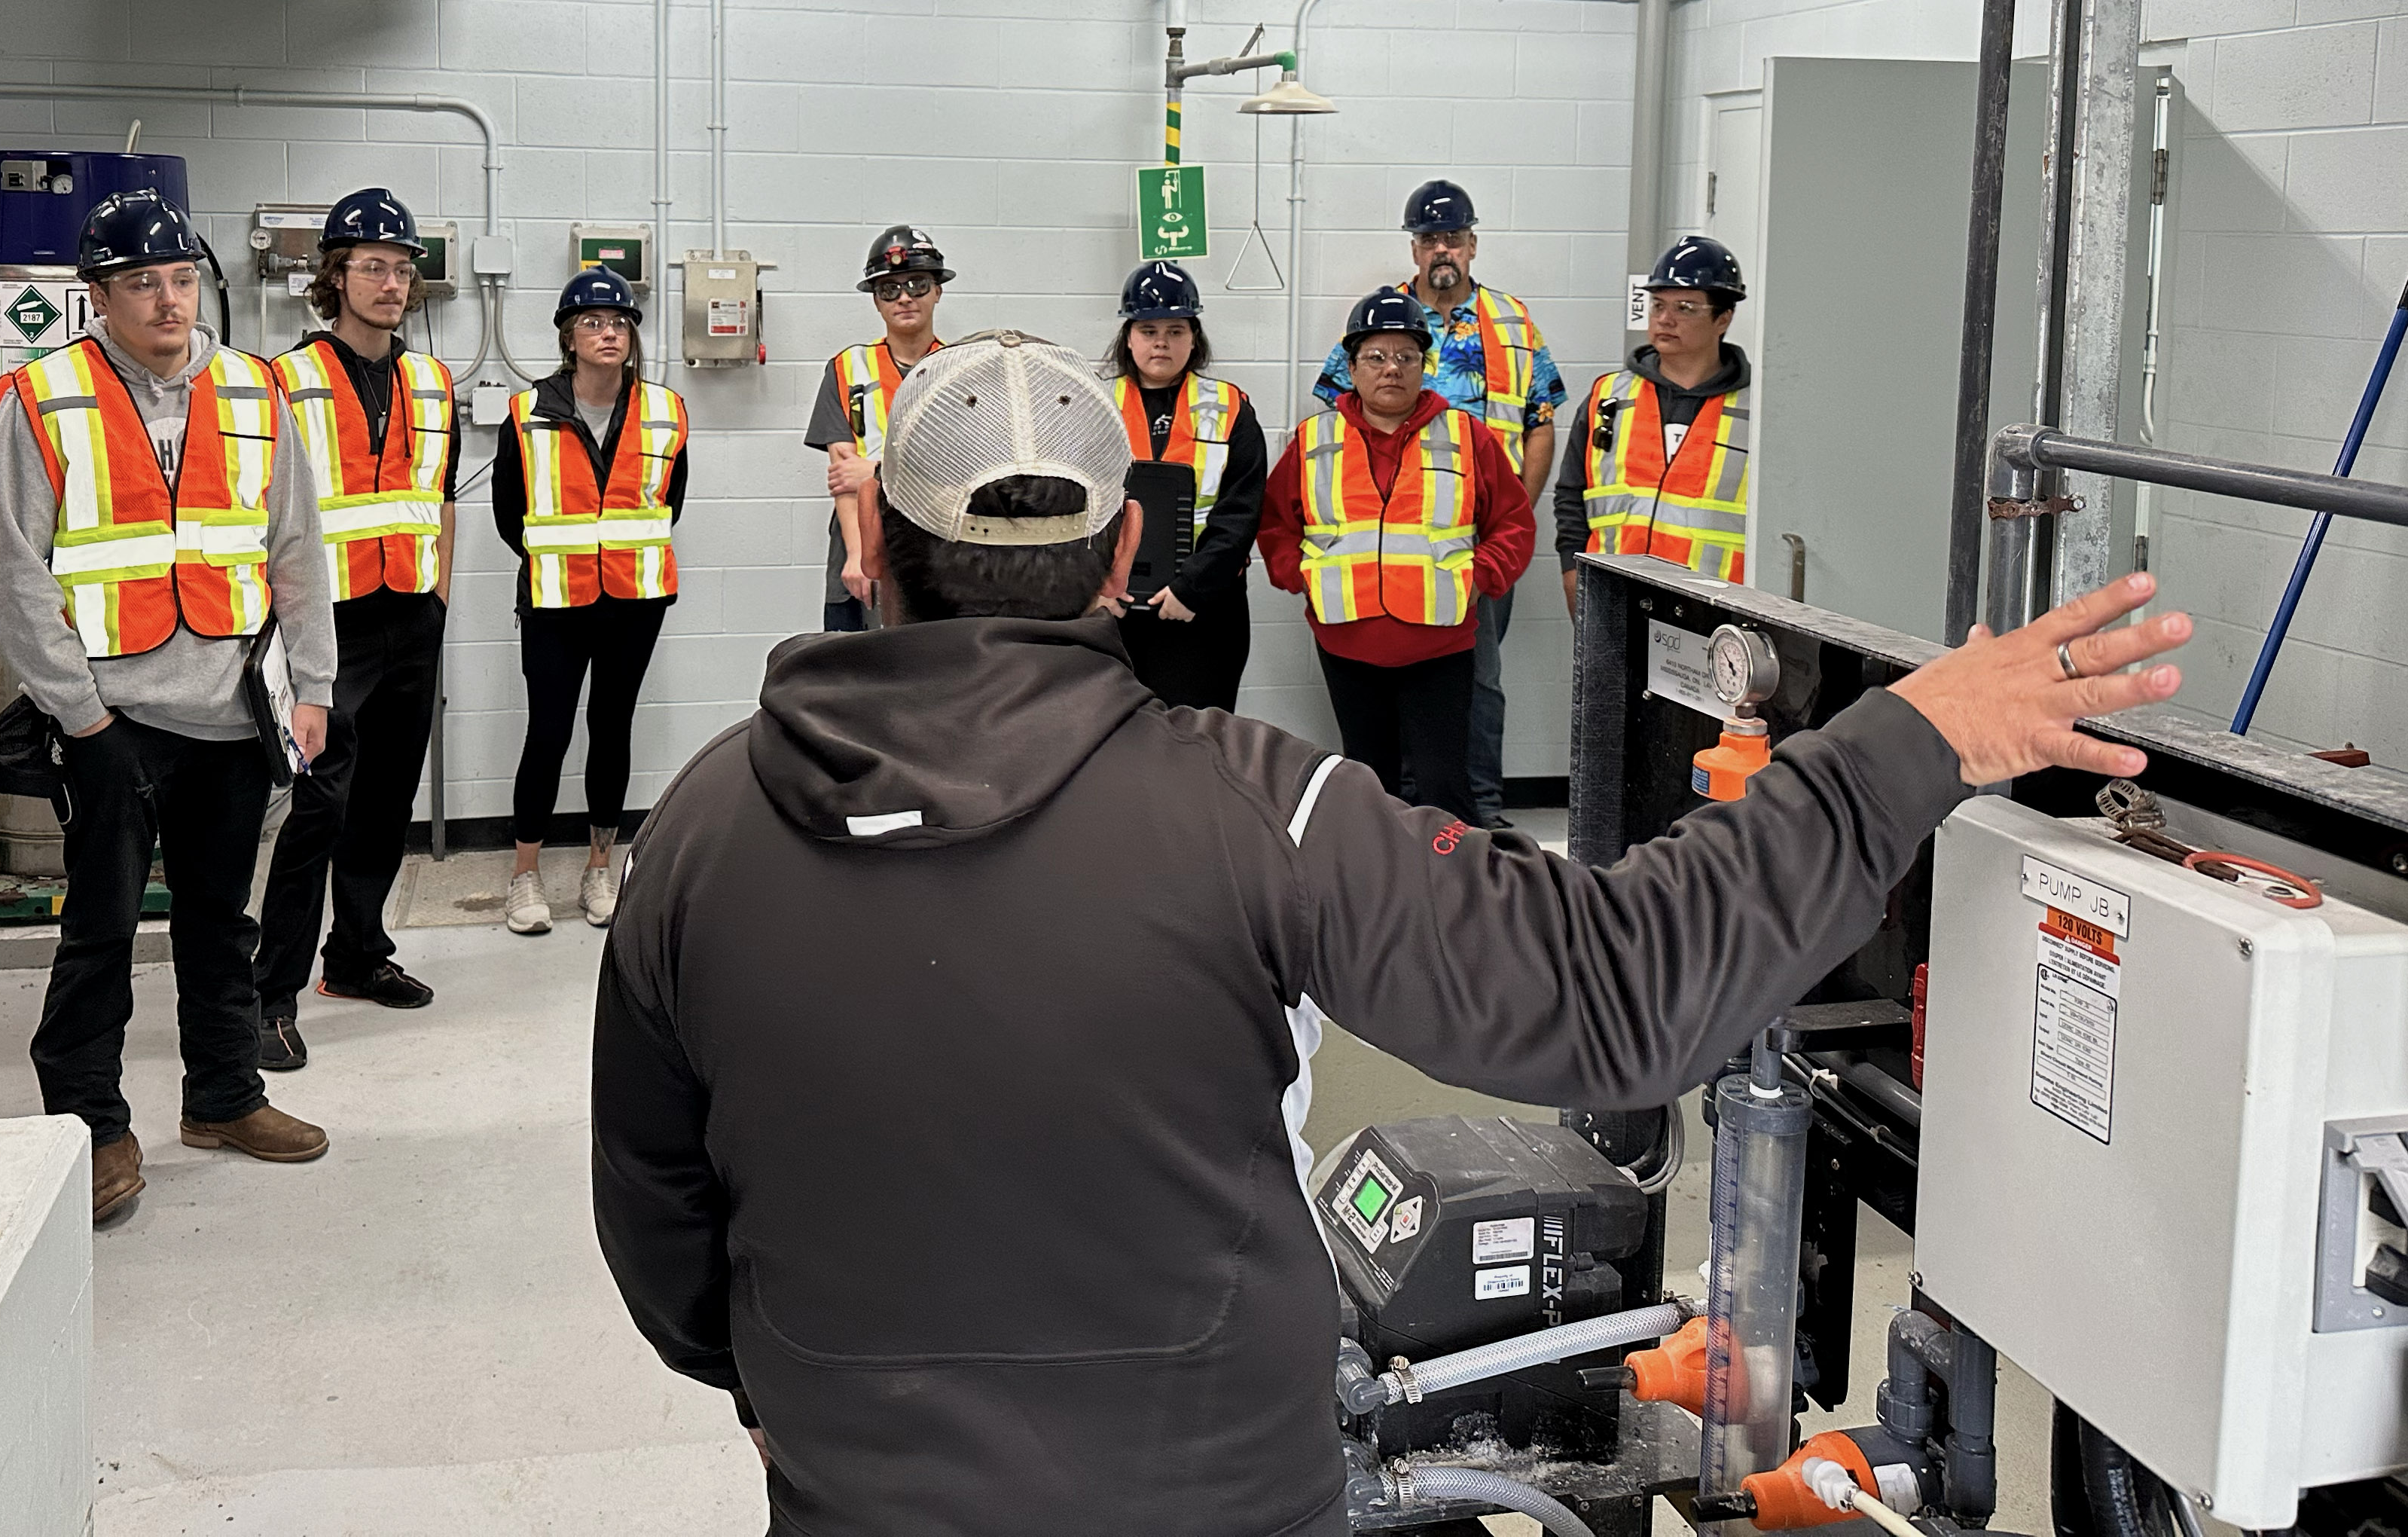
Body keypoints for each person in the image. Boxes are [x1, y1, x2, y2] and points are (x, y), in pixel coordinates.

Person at [590, 325, 2195, 1537]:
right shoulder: (1256, 810)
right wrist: (1912, 739)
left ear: (867, 546)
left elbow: (660, 1233)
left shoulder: (701, 836)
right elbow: (1619, 996)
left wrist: (786, 1382)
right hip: (1219, 1493)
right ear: (1125, 553)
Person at [0, 188, 339, 1223]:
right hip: (111, 720)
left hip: (233, 715)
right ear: (99, 295)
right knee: (98, 933)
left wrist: (311, 688)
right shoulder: (45, 399)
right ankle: (91, 1130)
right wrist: (79, 716)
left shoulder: (255, 393)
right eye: (143, 283)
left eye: (182, 279)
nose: (169, 300)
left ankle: (225, 1098)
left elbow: (298, 553)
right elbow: (11, 574)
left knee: (222, 925)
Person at [252, 188, 458, 1073]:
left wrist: (441, 600)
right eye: (371, 266)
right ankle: (269, 995)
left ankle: (359, 955)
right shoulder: (281, 381)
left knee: (386, 802)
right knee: (320, 806)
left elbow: (439, 499)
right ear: (332, 277)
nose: (391, 282)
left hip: (411, 615)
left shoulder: (431, 379)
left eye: (403, 268)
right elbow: (258, 514)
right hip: (323, 626)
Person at [1314, 179, 1564, 827]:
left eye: (1453, 236)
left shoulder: (1512, 321)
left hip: (1480, 544)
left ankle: (1477, 810)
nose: (1441, 249)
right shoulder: (1381, 317)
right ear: (1415, 248)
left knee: (1478, 679)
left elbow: (1540, 421)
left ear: (1473, 244)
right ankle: (1398, 810)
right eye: (1428, 239)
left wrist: (1515, 516)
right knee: (1389, 677)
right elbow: (1337, 421)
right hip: (1387, 541)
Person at [1260, 290, 1532, 820]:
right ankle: (1377, 895)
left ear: (1424, 366)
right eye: (1377, 357)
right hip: (1347, 643)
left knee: (1443, 788)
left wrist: (1484, 576)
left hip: (1441, 645)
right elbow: (1275, 523)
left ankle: (1450, 893)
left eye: (1406, 357)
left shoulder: (1466, 437)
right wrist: (1301, 578)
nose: (1392, 370)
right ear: (1352, 366)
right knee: (1369, 786)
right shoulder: (1314, 439)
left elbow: (1513, 522)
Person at [490, 269, 691, 935]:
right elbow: (509, 515)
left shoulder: (664, 410)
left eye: (620, 323)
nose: (610, 333)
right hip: (555, 601)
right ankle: (525, 876)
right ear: (568, 339)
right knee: (547, 733)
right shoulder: (527, 413)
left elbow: (670, 503)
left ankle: (599, 866)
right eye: (593, 324)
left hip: (635, 599)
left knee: (612, 728)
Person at [1095, 261, 1266, 710]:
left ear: (1194, 337)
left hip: (1203, 610)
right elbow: (1070, 505)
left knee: (1199, 744)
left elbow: (1240, 511)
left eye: (1175, 330)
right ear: (1128, 337)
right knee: (1116, 744)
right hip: (1111, 609)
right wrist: (1094, 586)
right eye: (1148, 330)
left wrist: (1193, 588)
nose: (1161, 342)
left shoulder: (1230, 407)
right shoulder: (1092, 403)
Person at [1558, 234, 1754, 613]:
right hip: (1616, 601)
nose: (1665, 319)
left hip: (1715, 613)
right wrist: (1572, 573)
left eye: (1685, 308)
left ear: (1723, 318)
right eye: (1658, 305)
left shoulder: (1755, 412)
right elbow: (1571, 496)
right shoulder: (1609, 397)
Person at [805, 224, 951, 631]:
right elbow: (843, 478)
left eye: (918, 284)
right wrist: (858, 555)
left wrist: (874, 471)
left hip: (941, 544)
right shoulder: (846, 368)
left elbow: (963, 475)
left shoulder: (961, 370)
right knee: (856, 675)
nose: (904, 297)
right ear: (876, 301)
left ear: (938, 290)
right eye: (890, 289)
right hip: (861, 539)